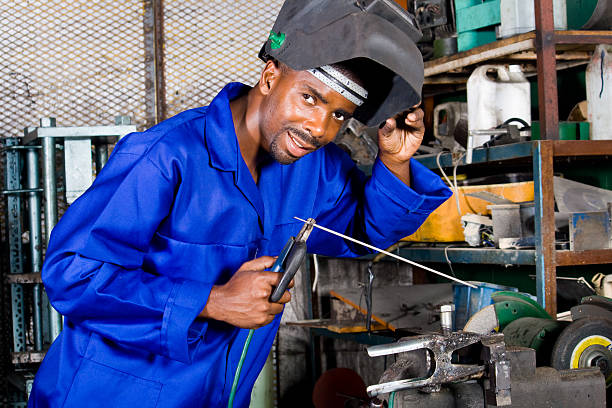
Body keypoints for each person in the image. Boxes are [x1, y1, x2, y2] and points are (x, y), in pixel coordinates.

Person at [29, 1, 451, 407]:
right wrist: (212, 300)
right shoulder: (165, 156)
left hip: (219, 394)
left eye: (340, 115)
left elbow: (364, 233)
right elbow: (71, 275)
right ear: (270, 77)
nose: (319, 128)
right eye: (310, 98)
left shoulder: (314, 169)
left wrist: (395, 161)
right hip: (112, 396)